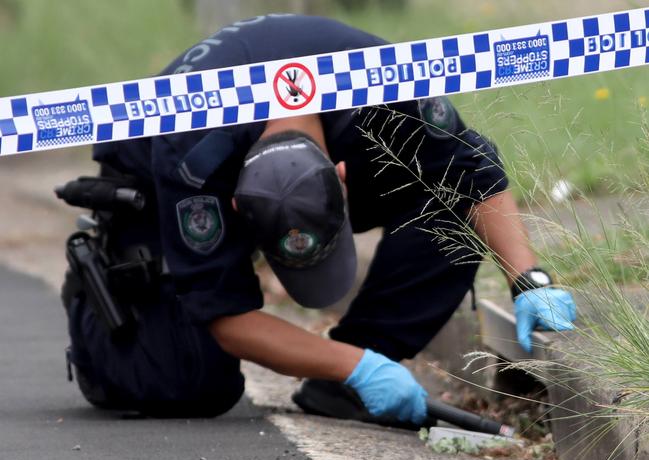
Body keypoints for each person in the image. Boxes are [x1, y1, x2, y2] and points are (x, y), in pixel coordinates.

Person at [60, 14, 576, 423]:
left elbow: (474, 175)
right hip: (150, 189)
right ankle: (101, 326)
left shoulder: (383, 90)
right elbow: (224, 318)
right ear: (237, 209)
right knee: (188, 384)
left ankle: (343, 381)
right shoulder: (191, 159)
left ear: (342, 175)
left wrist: (527, 280)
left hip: (331, 126)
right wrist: (361, 369)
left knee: (454, 204)